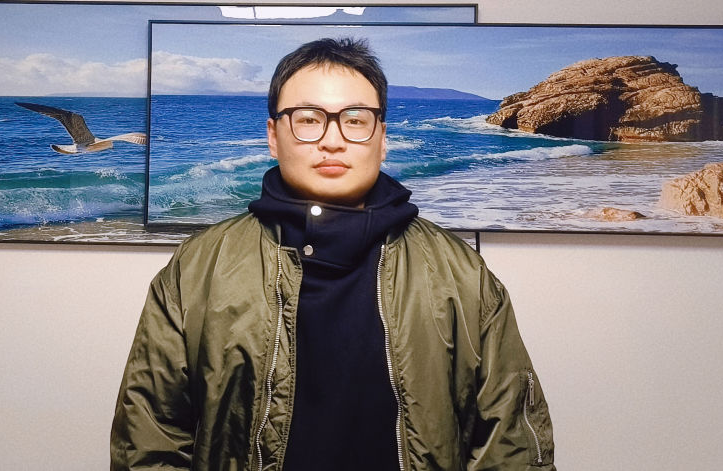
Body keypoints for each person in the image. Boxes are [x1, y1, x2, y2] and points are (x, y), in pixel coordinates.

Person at [111, 38, 555, 470]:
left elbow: (511, 446)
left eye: (355, 120)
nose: (332, 140)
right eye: (308, 119)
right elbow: (149, 441)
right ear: (273, 136)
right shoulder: (199, 267)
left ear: (382, 137)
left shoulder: (460, 273)